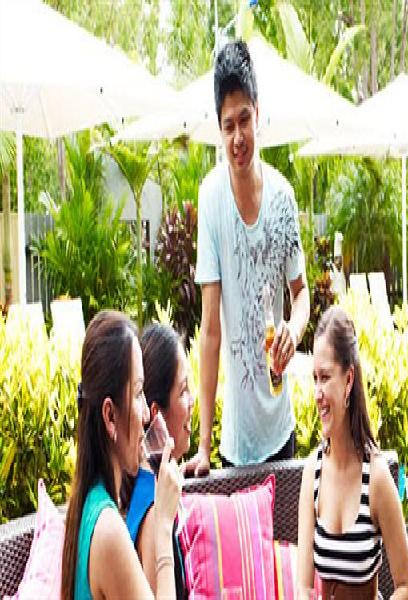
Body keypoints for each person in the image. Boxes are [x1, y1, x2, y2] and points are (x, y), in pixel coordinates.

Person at [184, 40, 310, 476]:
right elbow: (210, 329)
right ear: (219, 130)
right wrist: (203, 445)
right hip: (236, 445)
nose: (238, 137)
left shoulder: (283, 197)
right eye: (228, 126)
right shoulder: (211, 197)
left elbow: (301, 293)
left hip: (282, 429)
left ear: (258, 113)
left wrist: (294, 328)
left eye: (244, 120)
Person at [61, 311, 182, 600]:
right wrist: (164, 524)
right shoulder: (108, 531)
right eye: (138, 393)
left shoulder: (88, 503)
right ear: (110, 416)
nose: (146, 413)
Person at [296, 307, 408, 599]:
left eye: (325, 377)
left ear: (348, 380)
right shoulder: (313, 471)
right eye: (314, 378)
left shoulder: (375, 477)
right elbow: (303, 586)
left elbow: (407, 588)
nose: (317, 393)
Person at [125, 324, 194, 595]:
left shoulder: (149, 482)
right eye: (183, 391)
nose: (192, 401)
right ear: (156, 414)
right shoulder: (155, 512)